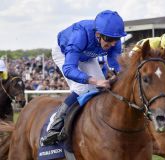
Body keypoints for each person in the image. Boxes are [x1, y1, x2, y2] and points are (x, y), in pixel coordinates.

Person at [42, 10, 127, 145]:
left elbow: (115, 64)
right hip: (65, 53)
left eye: (116, 40)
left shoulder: (113, 40)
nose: (112, 44)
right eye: (109, 40)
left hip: (87, 56)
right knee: (82, 87)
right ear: (98, 34)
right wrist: (93, 80)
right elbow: (69, 69)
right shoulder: (80, 34)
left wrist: (121, 76)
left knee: (100, 89)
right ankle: (54, 125)